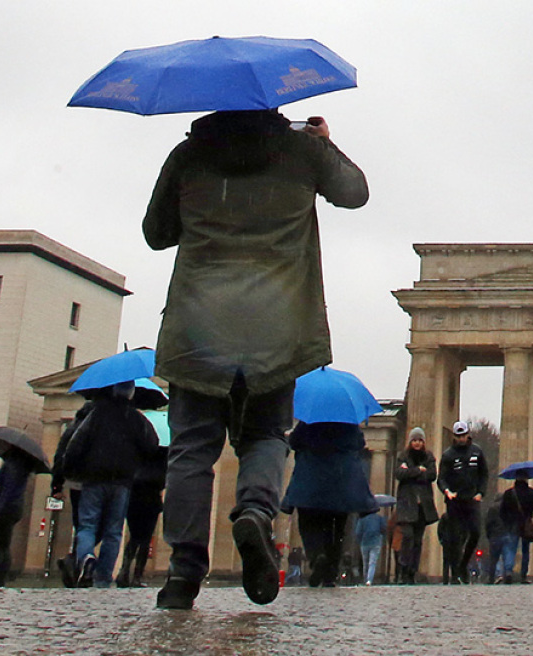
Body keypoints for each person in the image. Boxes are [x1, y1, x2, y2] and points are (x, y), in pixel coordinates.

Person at [144, 109, 368, 610]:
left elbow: (156, 233)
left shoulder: (188, 154)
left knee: (192, 447)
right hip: (276, 321)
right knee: (266, 435)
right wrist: (322, 143)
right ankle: (255, 513)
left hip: (199, 322)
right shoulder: (300, 150)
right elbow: (355, 193)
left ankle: (183, 572)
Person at [64, 382, 159, 588]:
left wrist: (70, 470)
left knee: (87, 525)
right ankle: (103, 577)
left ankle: (86, 557)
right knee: (113, 531)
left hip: (94, 478)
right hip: (122, 481)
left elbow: (75, 444)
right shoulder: (136, 418)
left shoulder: (96, 415)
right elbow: (152, 445)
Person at [280, 421, 377, 588]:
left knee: (309, 524)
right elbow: (359, 444)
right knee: (337, 529)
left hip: (311, 480)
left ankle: (317, 555)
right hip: (340, 481)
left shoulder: (308, 422)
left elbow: (294, 442)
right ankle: (330, 573)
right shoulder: (348, 423)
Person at [437, 421, 489, 584]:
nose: (461, 439)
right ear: (454, 436)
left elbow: (484, 474)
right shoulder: (448, 455)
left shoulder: (477, 451)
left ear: (468, 435)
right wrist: (447, 491)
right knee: (455, 538)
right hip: (455, 501)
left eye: (463, 435)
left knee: (475, 533)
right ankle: (456, 573)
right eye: (458, 436)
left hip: (472, 500)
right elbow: (441, 478)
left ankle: (463, 564)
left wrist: (481, 492)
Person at [50, 401, 94, 587]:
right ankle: (78, 562)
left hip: (74, 483)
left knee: (81, 525)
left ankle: (74, 561)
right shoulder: (92, 431)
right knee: (91, 526)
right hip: (92, 482)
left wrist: (57, 485)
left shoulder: (70, 430)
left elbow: (59, 457)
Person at [116, 444, 168, 588]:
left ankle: (124, 571)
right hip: (151, 501)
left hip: (134, 499)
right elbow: (164, 480)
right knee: (145, 539)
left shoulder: (138, 453)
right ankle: (137, 576)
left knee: (134, 537)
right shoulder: (163, 457)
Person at [394, 427, 438, 584]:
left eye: (420, 440)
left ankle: (413, 571)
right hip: (407, 504)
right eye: (414, 440)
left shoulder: (429, 457)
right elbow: (399, 474)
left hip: (422, 506)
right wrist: (418, 471)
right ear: (410, 442)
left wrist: (411, 472)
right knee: (407, 536)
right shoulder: (402, 456)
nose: (417, 443)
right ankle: (403, 569)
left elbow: (432, 475)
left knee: (418, 540)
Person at [0, 449, 36, 588]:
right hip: (16, 508)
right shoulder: (23, 467)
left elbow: (8, 490)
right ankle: (0, 580)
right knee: (5, 545)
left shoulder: (11, 465)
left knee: (2, 547)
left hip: (6, 508)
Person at [500, 471, 533, 584]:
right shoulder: (530, 492)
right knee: (525, 550)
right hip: (525, 524)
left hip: (512, 524)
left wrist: (506, 521)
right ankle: (523, 575)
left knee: (510, 548)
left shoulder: (509, 493)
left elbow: (502, 510)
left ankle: (508, 571)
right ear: (526, 479)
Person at [355, 507, 386, 586]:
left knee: (365, 562)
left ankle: (365, 579)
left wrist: (359, 541)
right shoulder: (379, 518)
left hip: (364, 543)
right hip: (376, 542)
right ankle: (369, 580)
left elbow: (358, 533)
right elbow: (383, 529)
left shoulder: (362, 520)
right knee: (372, 562)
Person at [483, 494, 508, 583]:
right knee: (506, 558)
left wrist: (488, 534)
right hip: (506, 535)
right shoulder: (508, 508)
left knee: (493, 559)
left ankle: (491, 578)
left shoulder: (492, 508)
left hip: (495, 535)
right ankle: (506, 577)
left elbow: (488, 523)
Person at [437, 512, 461, 585]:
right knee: (455, 561)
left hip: (447, 541)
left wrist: (441, 539)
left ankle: (446, 579)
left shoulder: (445, 516)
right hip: (455, 541)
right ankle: (454, 578)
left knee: (446, 561)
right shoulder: (460, 516)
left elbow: (440, 529)